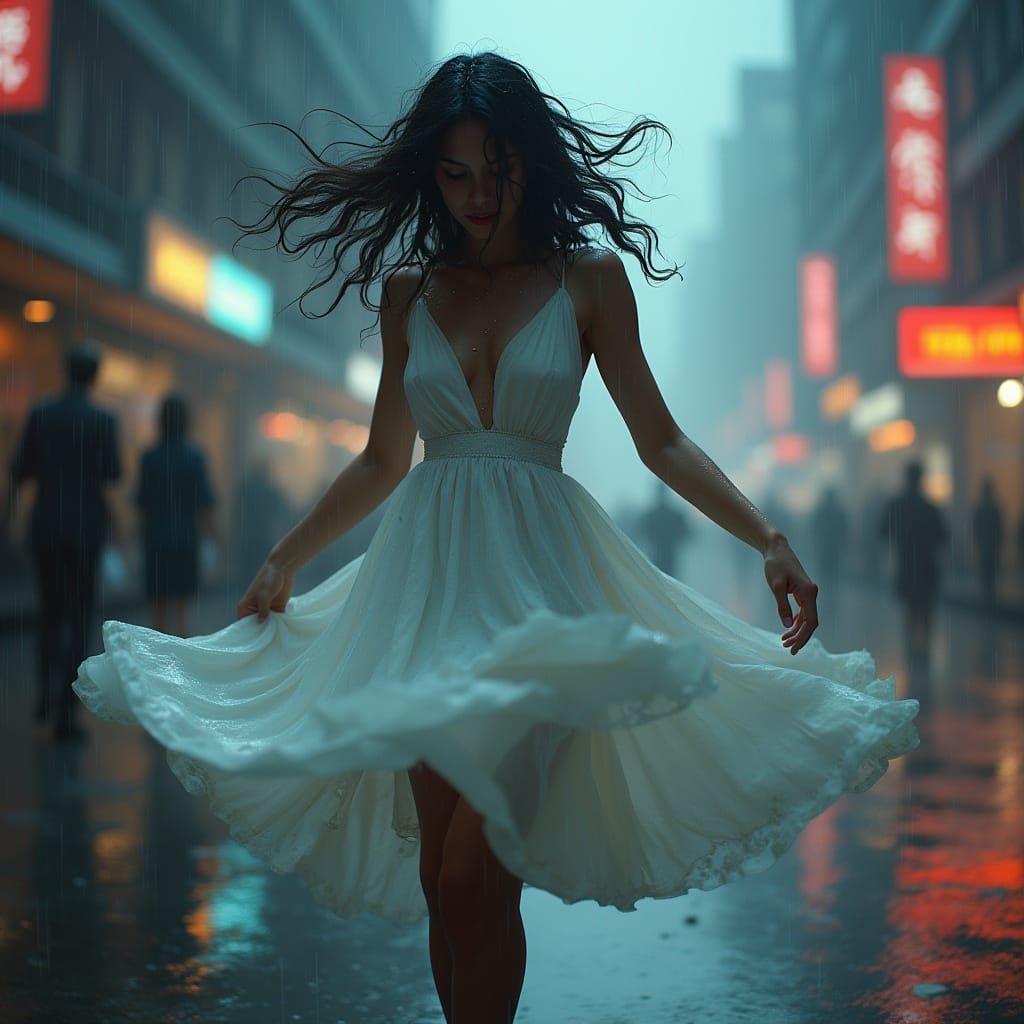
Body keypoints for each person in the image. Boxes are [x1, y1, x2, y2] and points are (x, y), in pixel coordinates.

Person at [72, 53, 919, 1022]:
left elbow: (662, 437)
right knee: (442, 875)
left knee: (480, 867)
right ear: (430, 174)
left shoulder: (588, 280)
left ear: (532, 163)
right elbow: (382, 460)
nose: (477, 194)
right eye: (455, 171)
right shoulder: (407, 294)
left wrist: (767, 535)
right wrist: (284, 558)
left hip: (545, 604)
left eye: (497, 168)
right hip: (424, 596)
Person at [3, 342, 122, 741]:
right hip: (87, 530)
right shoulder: (104, 420)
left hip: (47, 527)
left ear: (65, 370)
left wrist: (13, 521)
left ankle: (44, 692)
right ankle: (67, 712)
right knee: (79, 615)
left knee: (49, 613)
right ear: (95, 376)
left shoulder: (41, 414)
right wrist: (117, 527)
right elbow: (112, 479)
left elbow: (19, 473)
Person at [135, 393, 220, 637]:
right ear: (187, 422)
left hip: (157, 537)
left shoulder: (149, 457)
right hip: (185, 537)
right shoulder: (195, 456)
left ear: (160, 421)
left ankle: (155, 662)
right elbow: (204, 503)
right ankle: (178, 663)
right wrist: (215, 538)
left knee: (158, 606)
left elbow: (142, 503)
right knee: (182, 606)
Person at [878, 460, 949, 659]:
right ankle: (924, 649)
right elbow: (943, 536)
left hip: (907, 564)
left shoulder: (897, 506)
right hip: (927, 565)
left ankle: (912, 650)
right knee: (925, 607)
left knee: (911, 608)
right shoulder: (930, 507)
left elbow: (883, 532)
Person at [634, 480, 692, 577]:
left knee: (658, 578)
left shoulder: (651, 515)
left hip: (659, 554)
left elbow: (641, 532)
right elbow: (687, 533)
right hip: (668, 555)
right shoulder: (675, 515)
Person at [971, 476, 1003, 608]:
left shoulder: (983, 508)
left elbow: (977, 526)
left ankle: (988, 593)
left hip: (987, 543)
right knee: (988, 567)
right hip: (989, 543)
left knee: (987, 567)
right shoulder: (992, 508)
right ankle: (989, 593)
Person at [810, 485, 850, 589]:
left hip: (826, 546)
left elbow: (814, 528)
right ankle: (831, 589)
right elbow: (844, 530)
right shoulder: (838, 512)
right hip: (833, 546)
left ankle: (827, 589)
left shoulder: (822, 511)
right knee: (832, 570)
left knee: (826, 571)